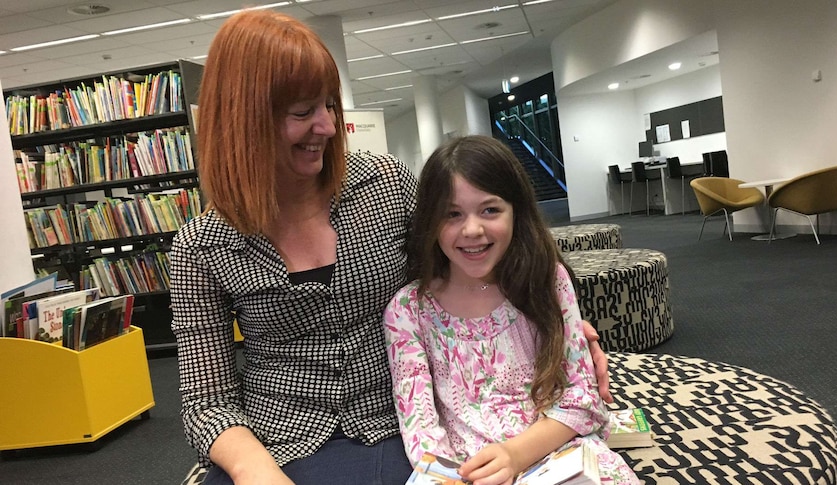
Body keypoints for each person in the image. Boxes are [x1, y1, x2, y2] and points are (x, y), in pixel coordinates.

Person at [170, 10, 612, 485]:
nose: (327, 126)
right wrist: (255, 471)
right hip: (275, 443)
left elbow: (475, 267)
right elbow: (206, 398)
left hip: (396, 426)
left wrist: (558, 327)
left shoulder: (384, 186)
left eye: (330, 106)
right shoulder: (200, 246)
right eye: (303, 112)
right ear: (243, 120)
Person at [383, 136, 638, 485]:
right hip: (468, 468)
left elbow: (583, 398)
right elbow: (420, 427)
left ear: (516, 210)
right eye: (452, 214)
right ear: (430, 221)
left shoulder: (545, 280)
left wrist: (514, 455)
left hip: (553, 450)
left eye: (490, 210)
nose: (472, 229)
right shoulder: (409, 311)